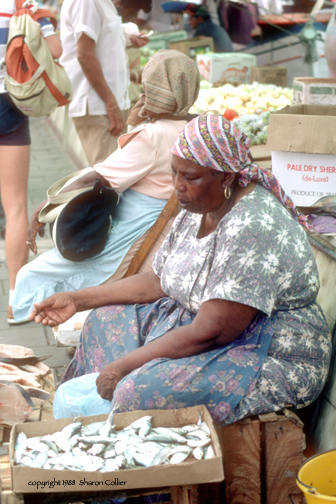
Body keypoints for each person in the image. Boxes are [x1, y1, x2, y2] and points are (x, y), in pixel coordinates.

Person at [30, 115, 331, 425]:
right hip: (202, 323)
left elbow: (212, 331)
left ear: (225, 177)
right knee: (104, 321)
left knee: (136, 390)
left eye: (190, 177)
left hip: (265, 350)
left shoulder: (252, 225)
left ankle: (130, 446)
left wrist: (123, 367)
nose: (178, 187)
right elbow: (158, 280)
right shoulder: (200, 205)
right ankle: (99, 417)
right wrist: (77, 300)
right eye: (174, 173)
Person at [10, 49, 200, 324]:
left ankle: (24, 313)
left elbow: (96, 178)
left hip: (124, 234)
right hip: (153, 229)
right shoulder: (195, 128)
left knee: (30, 274)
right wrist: (135, 124)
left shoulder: (152, 136)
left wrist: (46, 207)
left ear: (150, 89)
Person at [0, 0, 62, 322]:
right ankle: (16, 302)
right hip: (7, 105)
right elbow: (55, 49)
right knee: (14, 208)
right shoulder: (24, 4)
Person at [59, 0, 149, 166]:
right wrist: (110, 103)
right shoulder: (87, 3)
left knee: (112, 172)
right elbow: (84, 56)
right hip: (97, 103)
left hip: (106, 102)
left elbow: (100, 40)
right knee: (108, 175)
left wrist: (127, 38)